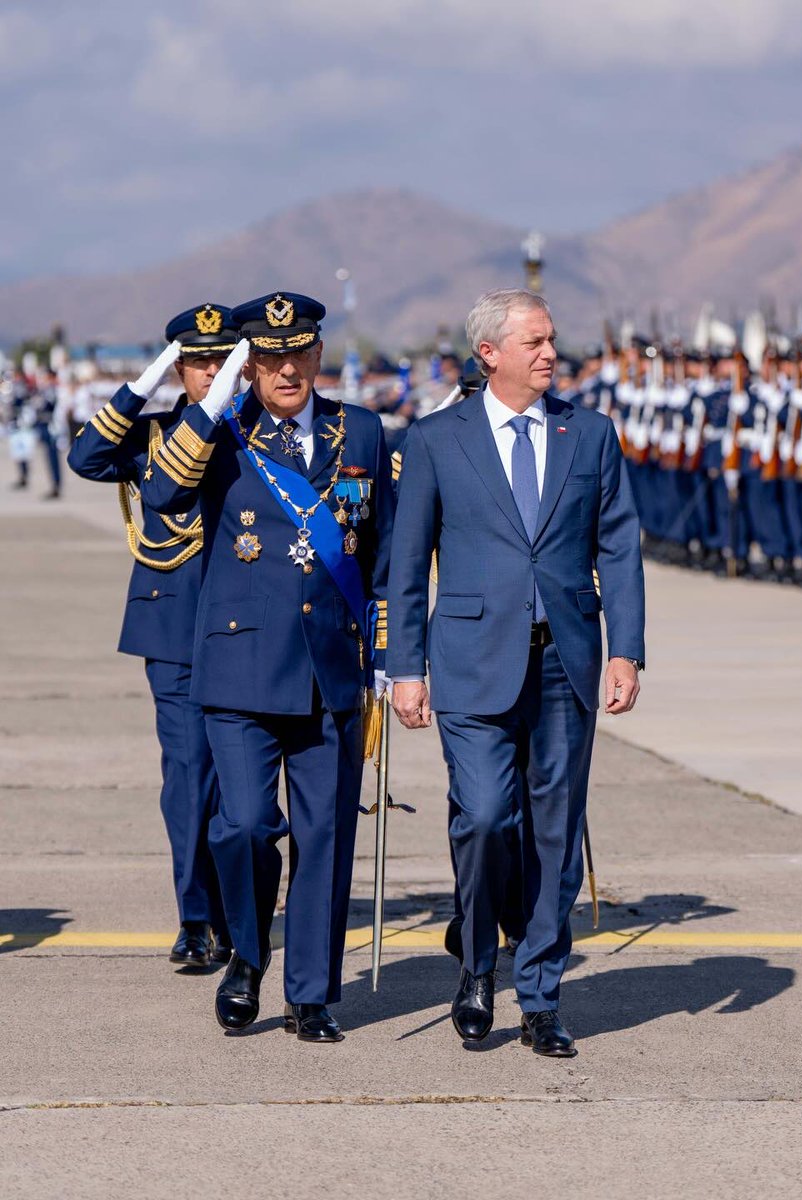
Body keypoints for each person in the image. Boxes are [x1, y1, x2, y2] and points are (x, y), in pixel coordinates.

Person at [388, 288, 645, 1057]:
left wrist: (625, 648)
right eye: (533, 341)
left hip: (565, 662)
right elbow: (407, 563)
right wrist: (404, 666)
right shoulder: (437, 439)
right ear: (489, 353)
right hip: (469, 661)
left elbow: (619, 546)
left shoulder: (589, 433)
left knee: (554, 836)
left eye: (552, 340)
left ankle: (538, 994)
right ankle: (475, 961)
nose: (549, 353)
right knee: (486, 816)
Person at [141, 292, 394, 1043]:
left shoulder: (363, 432)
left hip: (329, 674)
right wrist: (213, 402)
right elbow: (160, 493)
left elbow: (378, 553)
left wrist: (385, 654)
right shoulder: (222, 433)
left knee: (324, 839)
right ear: (250, 363)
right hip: (241, 665)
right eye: (271, 356)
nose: (287, 368)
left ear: (317, 354)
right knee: (246, 826)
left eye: (300, 353)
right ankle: (247, 955)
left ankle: (310, 993)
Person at [67, 306, 236, 969]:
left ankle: (238, 906)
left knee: (246, 787)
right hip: (173, 629)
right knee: (190, 775)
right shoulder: (156, 433)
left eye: (222, 360)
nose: (210, 372)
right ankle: (198, 916)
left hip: (248, 627)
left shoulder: (257, 434)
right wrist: (150, 376)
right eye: (196, 361)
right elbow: (86, 455)